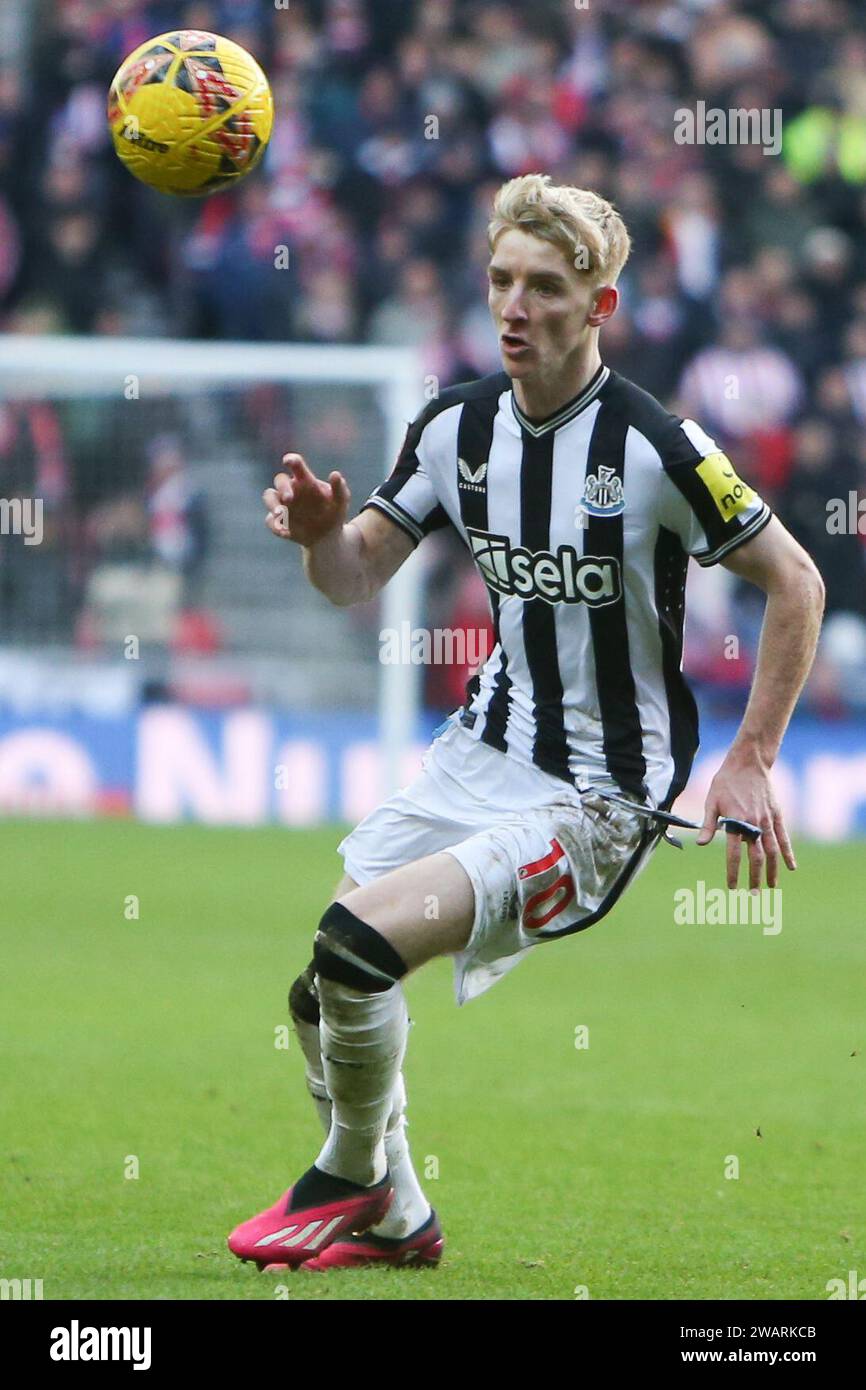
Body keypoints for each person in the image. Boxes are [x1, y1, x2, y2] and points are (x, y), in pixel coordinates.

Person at [228, 174, 825, 1272]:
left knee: (357, 945)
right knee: (319, 989)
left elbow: (796, 582)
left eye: (544, 287)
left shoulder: (657, 445)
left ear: (598, 305)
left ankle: (347, 1177)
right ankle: (400, 1215)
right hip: (480, 751)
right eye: (500, 280)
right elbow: (355, 576)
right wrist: (319, 534)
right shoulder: (455, 425)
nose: (513, 305)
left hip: (596, 798)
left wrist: (749, 757)